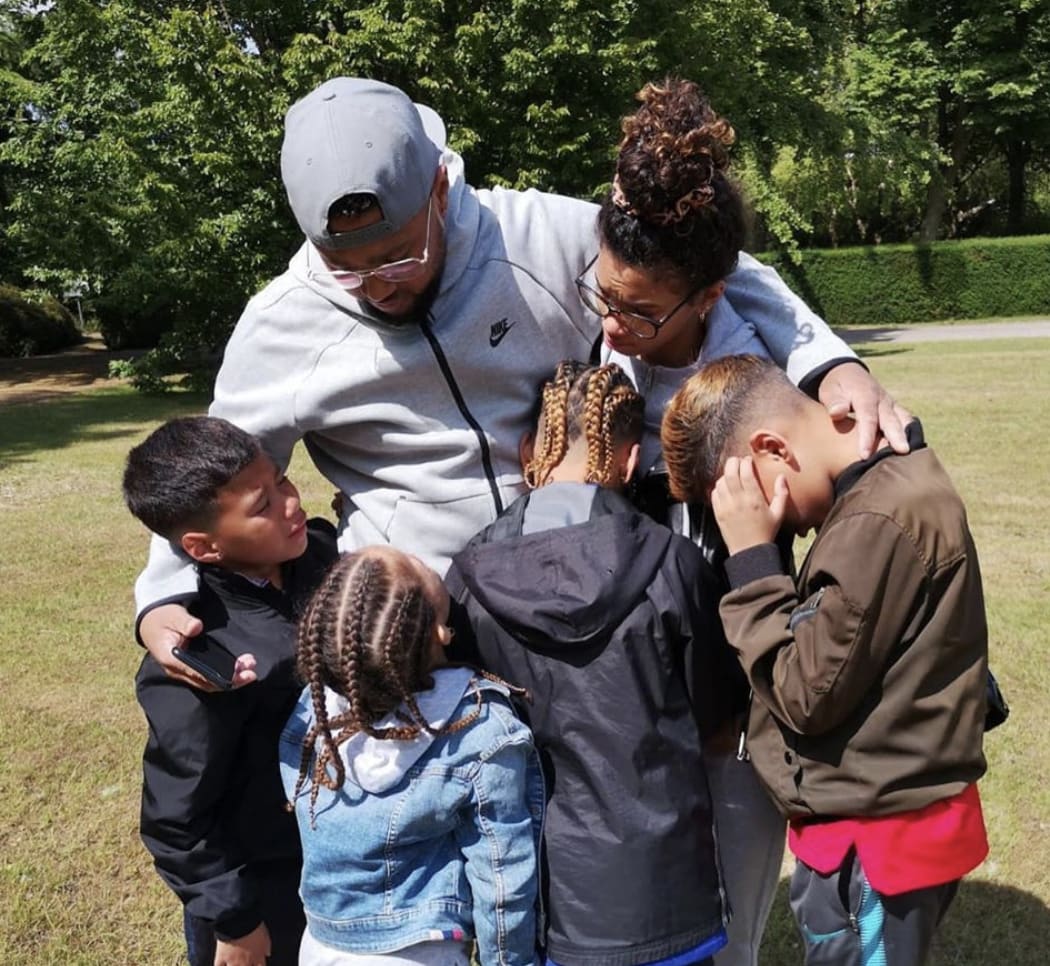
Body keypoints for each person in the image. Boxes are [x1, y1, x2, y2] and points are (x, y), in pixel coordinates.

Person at [133, 75, 909, 692]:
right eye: (347, 269)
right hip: (422, 631)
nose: (377, 286)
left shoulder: (536, 235)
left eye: (399, 256)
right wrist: (163, 595)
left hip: (580, 598)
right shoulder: (279, 329)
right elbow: (208, 476)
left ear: (440, 191)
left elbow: (717, 269)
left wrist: (831, 363)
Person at [584, 77, 827, 966]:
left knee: (728, 921)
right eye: (603, 296)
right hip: (619, 708)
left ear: (712, 295)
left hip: (727, 709)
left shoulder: (756, 393)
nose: (614, 325)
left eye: (641, 311)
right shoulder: (602, 334)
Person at [660, 354, 989, 966]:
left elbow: (805, 692)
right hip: (880, 820)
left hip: (876, 843)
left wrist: (752, 559)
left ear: (771, 448)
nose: (756, 514)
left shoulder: (874, 520)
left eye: (744, 493)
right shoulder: (888, 484)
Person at [445, 361, 735, 966]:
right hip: (663, 885)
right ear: (630, 463)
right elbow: (715, 716)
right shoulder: (674, 564)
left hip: (534, 886)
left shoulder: (467, 582)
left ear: (532, 449)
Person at [122, 416, 339, 966]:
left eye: (281, 481)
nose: (291, 503)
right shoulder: (201, 657)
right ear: (204, 547)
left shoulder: (320, 556)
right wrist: (237, 921)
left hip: (335, 863)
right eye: (262, 505)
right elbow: (176, 816)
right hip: (262, 888)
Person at [279, 546, 543, 965]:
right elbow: (501, 876)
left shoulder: (314, 710)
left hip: (323, 945)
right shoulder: (477, 731)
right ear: (441, 633)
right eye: (419, 567)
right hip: (421, 951)